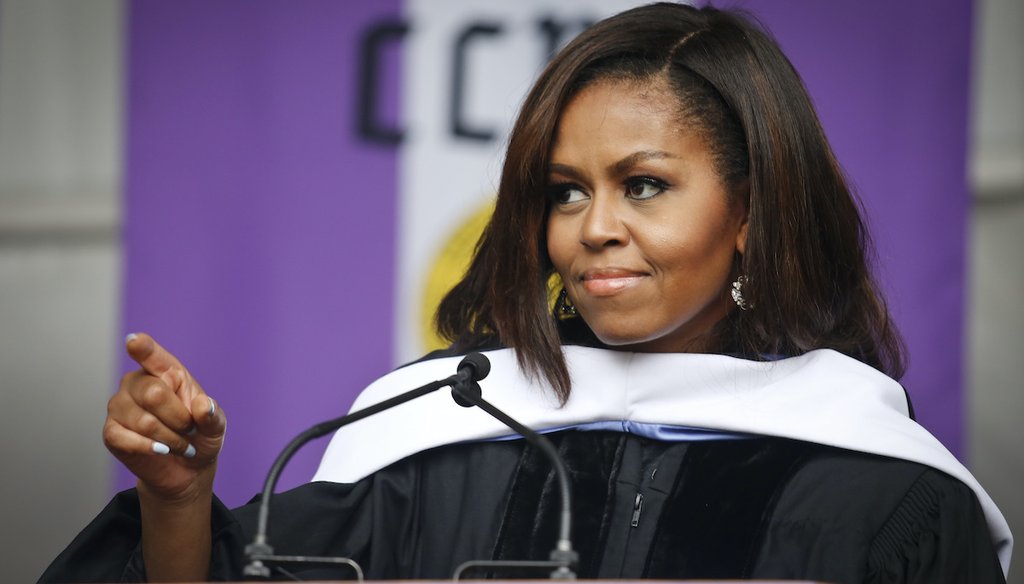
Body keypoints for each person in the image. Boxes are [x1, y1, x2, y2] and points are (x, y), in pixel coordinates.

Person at [42, 3, 1011, 583]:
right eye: (563, 191)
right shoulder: (435, 427)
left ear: (751, 210)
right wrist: (179, 499)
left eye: (644, 184)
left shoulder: (880, 475)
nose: (592, 226)